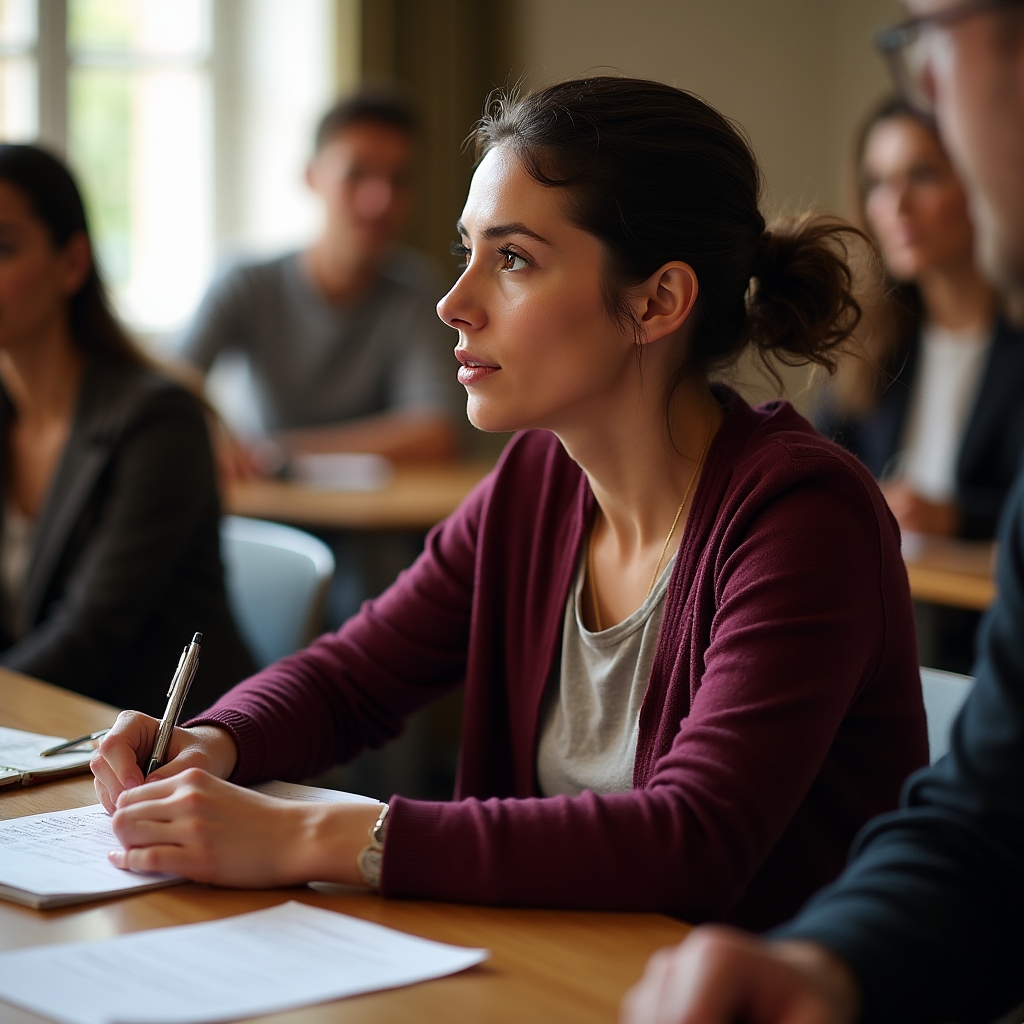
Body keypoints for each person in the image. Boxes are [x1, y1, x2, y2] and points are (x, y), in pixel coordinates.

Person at [91, 78, 927, 931]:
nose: (455, 303)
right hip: (554, 974)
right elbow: (354, 679)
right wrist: (212, 742)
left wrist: (319, 833)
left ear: (657, 301)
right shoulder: (536, 481)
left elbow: (695, 841)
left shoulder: (801, 516)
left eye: (514, 258)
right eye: (467, 252)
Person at [621, 2, 1024, 1022]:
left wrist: (356, 839)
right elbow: (991, 818)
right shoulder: (876, 358)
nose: (927, 80)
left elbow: (693, 830)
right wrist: (823, 964)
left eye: (933, 34)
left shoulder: (795, 496)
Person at [0, 144, 254, 716]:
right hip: (42, 738)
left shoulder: (159, 419)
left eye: (3, 246)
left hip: (170, 753)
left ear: (71, 263)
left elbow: (88, 638)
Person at [819, 97, 1024, 673]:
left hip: (992, 641)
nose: (896, 206)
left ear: (979, 181)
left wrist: (952, 516)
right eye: (878, 182)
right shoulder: (871, 343)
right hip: (879, 632)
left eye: (924, 175)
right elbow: (815, 472)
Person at [177, 89, 459, 471]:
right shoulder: (245, 283)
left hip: (371, 522)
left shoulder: (419, 290)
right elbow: (166, 391)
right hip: (263, 516)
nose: (380, 200)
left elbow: (436, 433)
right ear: (311, 177)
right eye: (356, 174)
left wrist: (274, 453)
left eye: (400, 179)